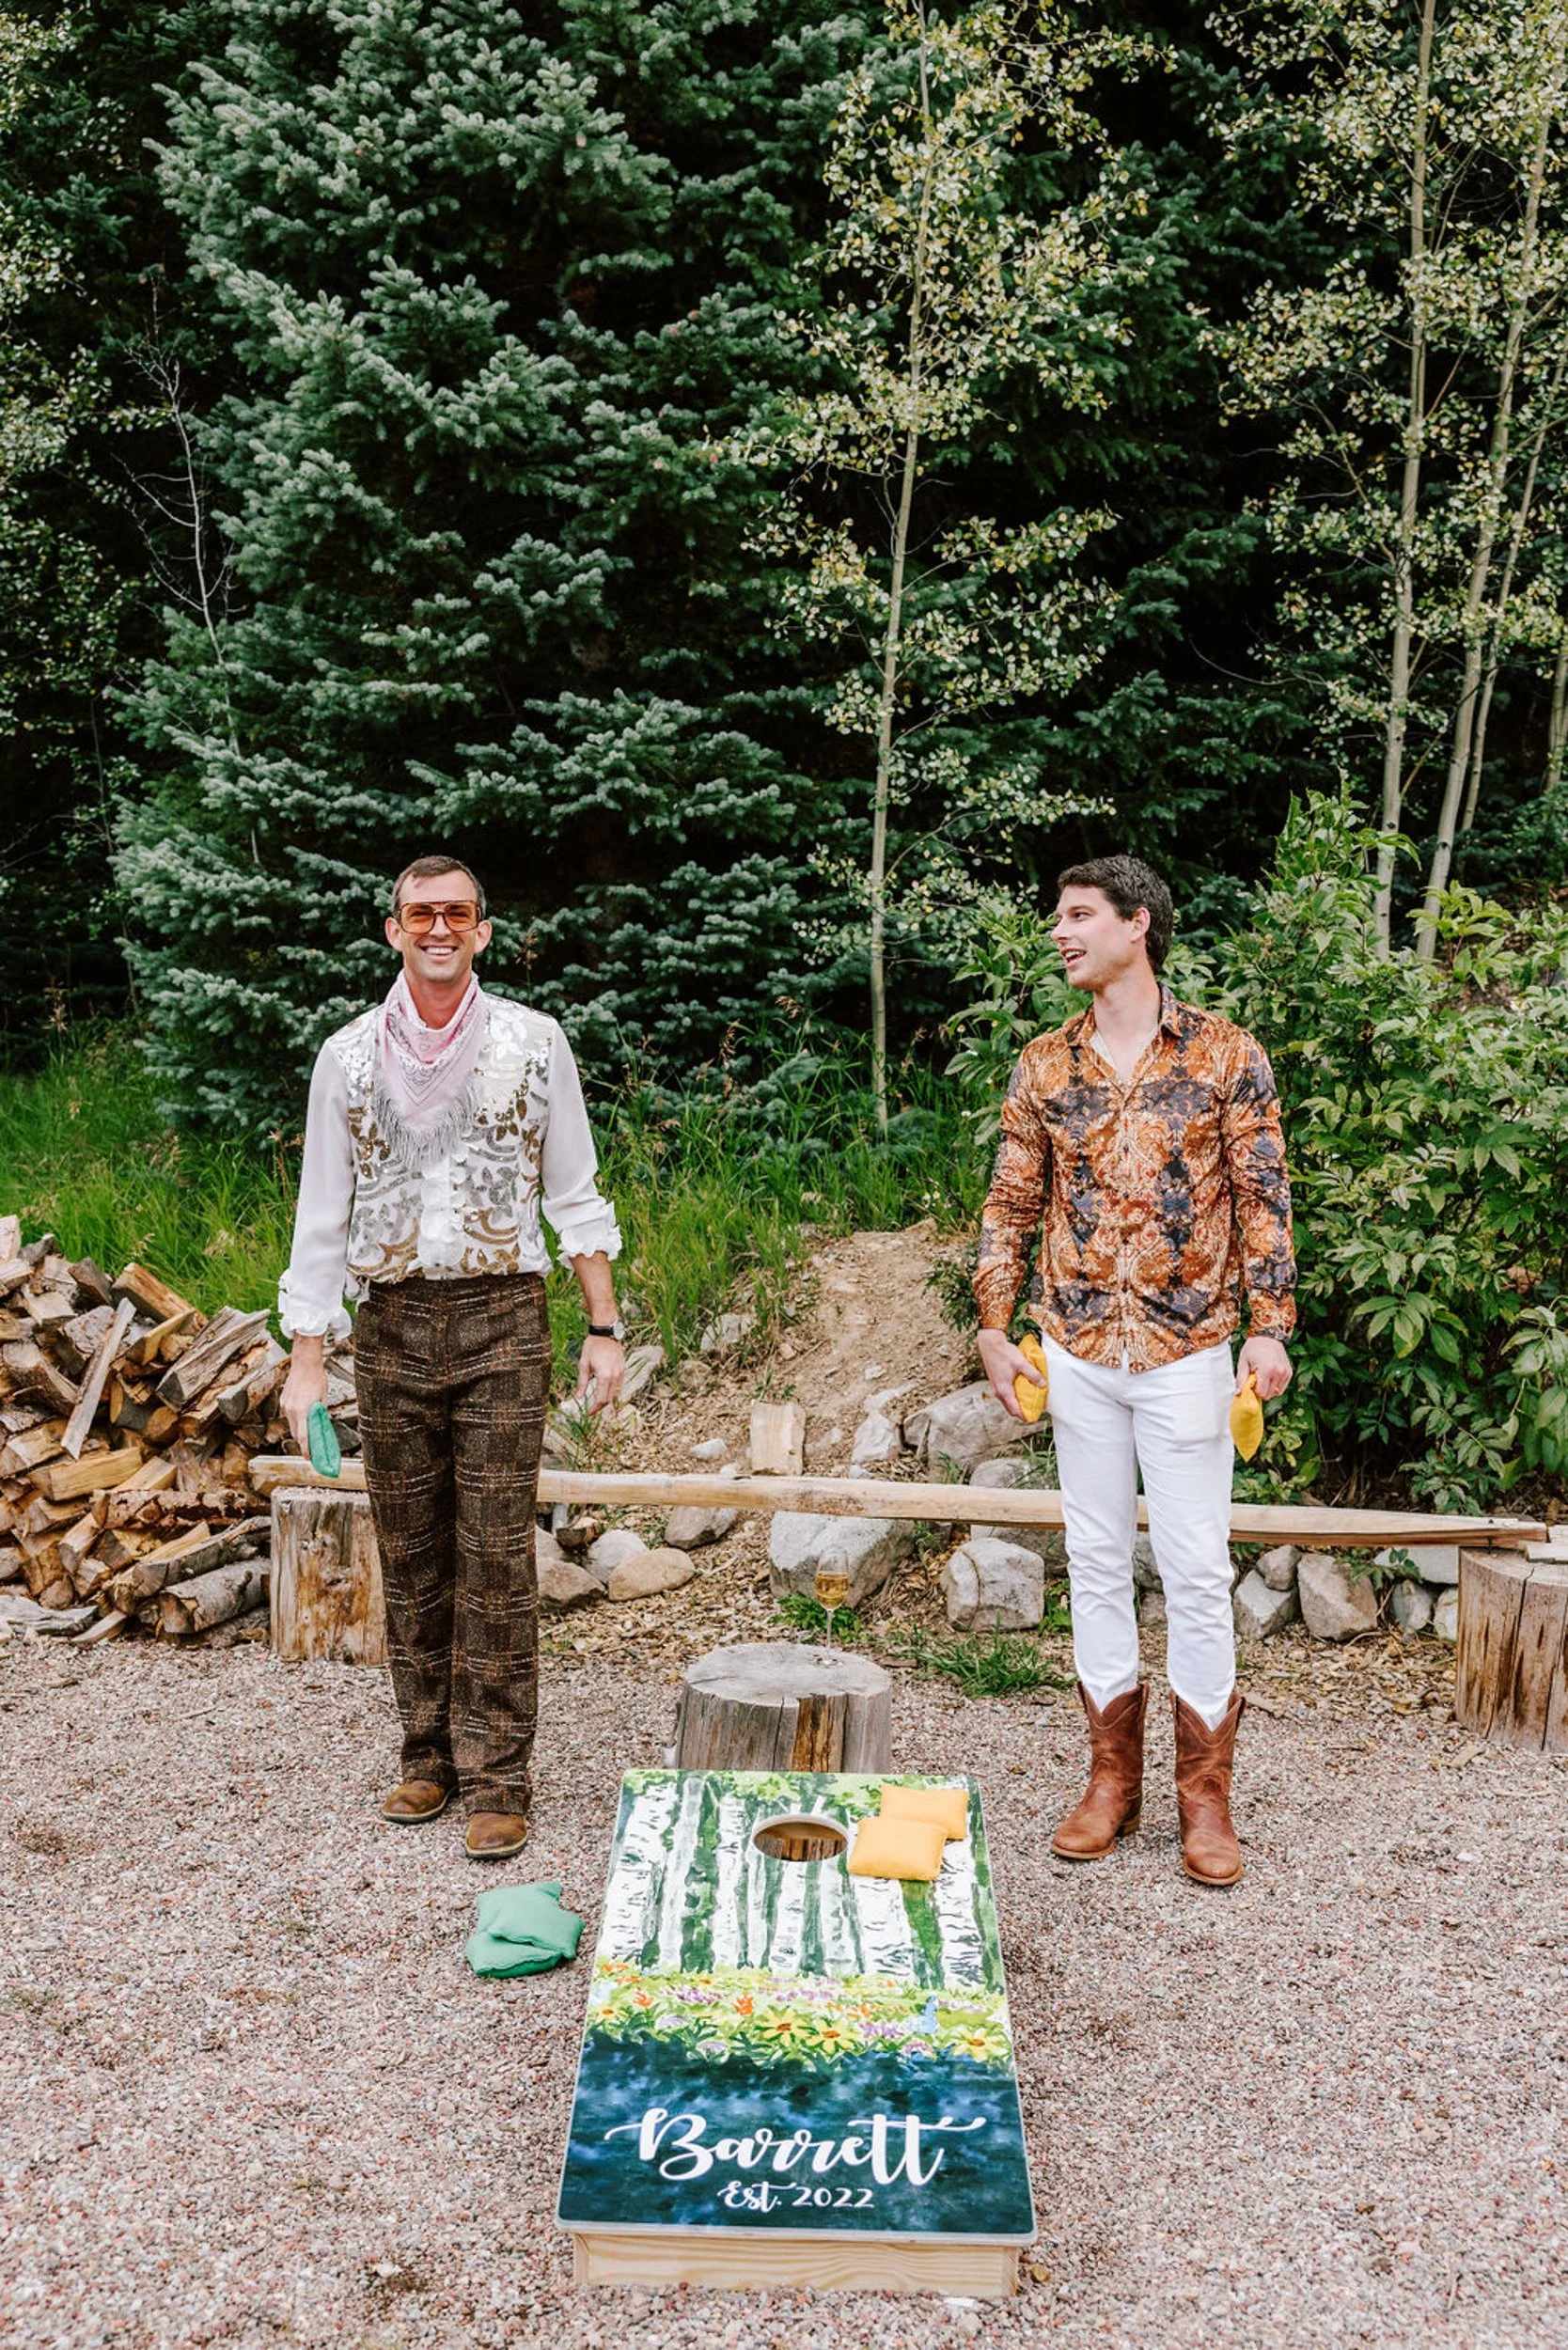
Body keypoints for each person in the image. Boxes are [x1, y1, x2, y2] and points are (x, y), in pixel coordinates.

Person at [277, 854, 625, 1861]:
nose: (438, 927)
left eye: (457, 913)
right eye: (420, 913)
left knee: (495, 1554)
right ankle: (426, 1753)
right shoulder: (345, 1059)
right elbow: (321, 1221)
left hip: (504, 1319)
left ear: (482, 928)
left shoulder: (533, 1041)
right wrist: (308, 1360)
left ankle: (499, 1776)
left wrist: (603, 1327)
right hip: (389, 1325)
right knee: (414, 1552)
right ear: (393, 930)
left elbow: (574, 1192)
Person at [974, 855, 1294, 1887]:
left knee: (1198, 1571)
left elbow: (1263, 1200)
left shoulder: (1224, 1054)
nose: (1058, 933)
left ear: (1138, 925)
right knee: (1098, 1560)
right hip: (1073, 1350)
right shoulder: (1043, 1064)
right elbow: (1008, 1204)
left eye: (1078, 916)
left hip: (1189, 1349)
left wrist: (1270, 1326)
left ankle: (1207, 1800)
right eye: (1057, 917)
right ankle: (1112, 1782)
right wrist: (992, 1324)